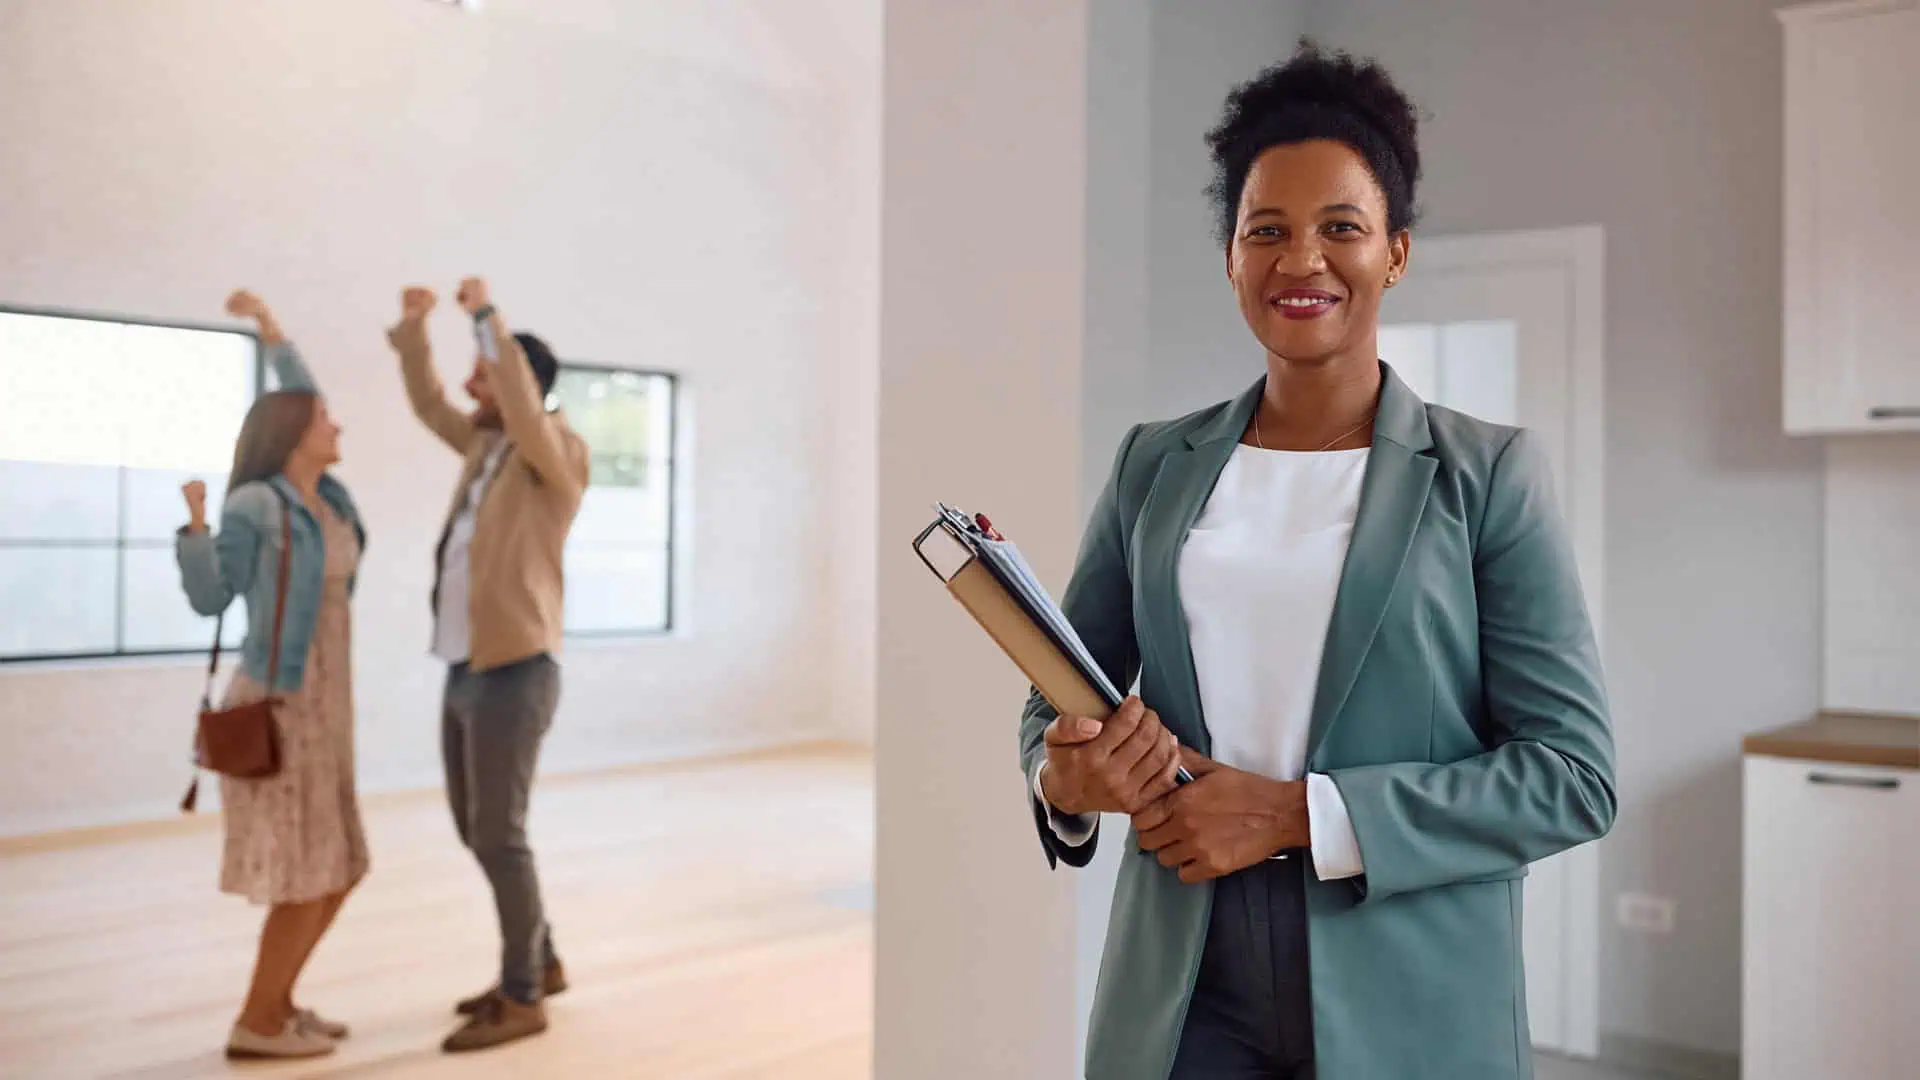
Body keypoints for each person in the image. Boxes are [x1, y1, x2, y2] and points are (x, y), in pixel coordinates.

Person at [1021, 43, 1617, 1080]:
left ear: (1395, 252)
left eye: (1341, 227)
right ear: (1230, 258)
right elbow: (1057, 698)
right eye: (1267, 231)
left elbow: (1572, 778)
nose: (1302, 260)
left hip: (1411, 985)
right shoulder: (1152, 466)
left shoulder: (1489, 477)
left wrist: (1297, 813)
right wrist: (1063, 780)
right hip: (1183, 985)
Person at [387, 277, 589, 1053]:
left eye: (486, 375)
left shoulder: (555, 454)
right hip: (465, 666)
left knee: (499, 834)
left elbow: (510, 390)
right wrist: (413, 330)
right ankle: (541, 959)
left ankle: (522, 995)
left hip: (516, 668)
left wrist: (484, 319)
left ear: (520, 386)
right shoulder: (486, 446)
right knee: (476, 829)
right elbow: (429, 402)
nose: (471, 386)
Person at [178, 290, 369, 1061]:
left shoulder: (332, 500)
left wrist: (275, 333)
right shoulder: (259, 504)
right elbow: (210, 598)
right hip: (281, 703)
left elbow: (301, 394)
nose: (337, 423)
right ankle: (258, 1023)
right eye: (324, 418)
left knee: (343, 865)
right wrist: (195, 527)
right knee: (307, 874)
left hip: (329, 707)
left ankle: (280, 1005)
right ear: (295, 433)